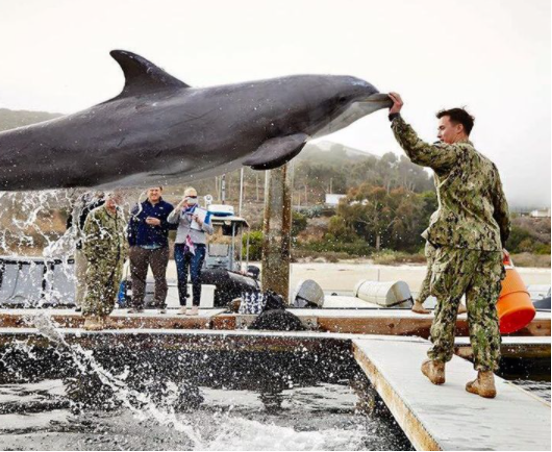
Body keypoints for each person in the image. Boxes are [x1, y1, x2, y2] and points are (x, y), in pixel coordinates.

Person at [388, 94, 511, 399]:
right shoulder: (489, 165)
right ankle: (485, 378)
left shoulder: (453, 155)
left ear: (459, 130)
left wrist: (396, 118)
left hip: (457, 243)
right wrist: (502, 243)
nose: (439, 134)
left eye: (443, 128)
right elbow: (502, 210)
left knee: (446, 302)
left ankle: (437, 365)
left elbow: (417, 151)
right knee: (484, 312)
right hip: (489, 245)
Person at [82, 191, 128, 331]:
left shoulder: (120, 215)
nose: (114, 199)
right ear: (106, 197)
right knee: (95, 288)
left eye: (118, 197)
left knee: (112, 289)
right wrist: (93, 260)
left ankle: (104, 316)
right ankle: (90, 318)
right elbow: (88, 239)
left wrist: (124, 254)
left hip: (117, 260)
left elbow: (122, 236)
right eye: (111, 196)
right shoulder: (96, 214)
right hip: (100, 260)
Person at [127, 187, 175, 314]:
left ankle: (160, 304)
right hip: (139, 247)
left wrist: (160, 223)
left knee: (160, 277)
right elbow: (131, 226)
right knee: (137, 277)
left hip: (159, 247)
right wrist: (131, 245)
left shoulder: (168, 207)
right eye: (151, 190)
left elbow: (175, 225)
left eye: (156, 190)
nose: (153, 193)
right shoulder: (138, 207)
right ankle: (136, 304)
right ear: (146, 191)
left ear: (161, 191)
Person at [167, 188, 214, 316]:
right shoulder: (180, 211)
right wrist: (178, 206)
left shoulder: (204, 211)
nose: (191, 199)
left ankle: (195, 306)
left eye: (194, 196)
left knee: (195, 275)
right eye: (188, 196)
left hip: (197, 245)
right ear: (184, 197)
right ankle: (182, 305)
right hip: (181, 245)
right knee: (181, 276)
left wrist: (200, 222)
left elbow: (210, 230)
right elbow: (170, 220)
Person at [66, 192, 105, 312]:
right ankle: (80, 303)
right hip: (81, 247)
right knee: (80, 276)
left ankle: (95, 303)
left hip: (98, 248)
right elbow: (69, 225)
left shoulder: (105, 205)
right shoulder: (79, 205)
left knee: (96, 276)